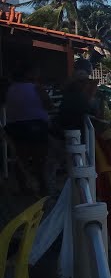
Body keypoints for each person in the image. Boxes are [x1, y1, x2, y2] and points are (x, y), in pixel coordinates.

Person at [3, 62, 53, 195]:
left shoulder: (11, 88)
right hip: (36, 127)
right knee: (39, 160)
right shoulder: (37, 88)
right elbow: (49, 105)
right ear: (29, 74)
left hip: (15, 128)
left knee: (20, 159)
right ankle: (42, 188)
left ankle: (23, 188)